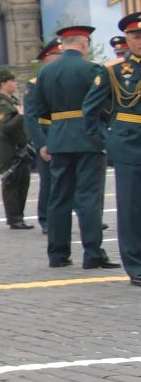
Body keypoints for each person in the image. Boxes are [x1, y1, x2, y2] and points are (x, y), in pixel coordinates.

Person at [31, 23, 114, 269]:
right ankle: (92, 254)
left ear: (64, 44)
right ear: (83, 44)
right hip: (89, 139)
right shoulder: (93, 69)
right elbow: (104, 105)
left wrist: (48, 139)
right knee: (88, 197)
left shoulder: (45, 72)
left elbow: (41, 110)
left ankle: (58, 255)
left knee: (58, 198)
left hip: (58, 138)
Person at [105, 12, 141, 285]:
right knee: (131, 209)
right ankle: (136, 265)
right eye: (135, 36)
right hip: (129, 145)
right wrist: (109, 139)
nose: (139, 41)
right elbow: (92, 111)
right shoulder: (115, 71)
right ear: (127, 40)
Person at [0, 70, 35, 230]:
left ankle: (19, 216)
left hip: (19, 146)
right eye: (12, 81)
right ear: (3, 83)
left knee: (23, 181)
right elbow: (5, 127)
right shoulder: (1, 104)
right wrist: (21, 115)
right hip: (7, 147)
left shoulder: (12, 100)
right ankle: (14, 218)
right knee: (11, 182)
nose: (15, 83)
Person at [29, 38, 59, 233]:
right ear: (47, 58)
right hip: (47, 135)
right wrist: (40, 144)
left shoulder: (64, 78)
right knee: (48, 182)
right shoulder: (35, 84)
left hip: (65, 134)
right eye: (58, 55)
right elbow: (31, 118)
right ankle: (46, 219)